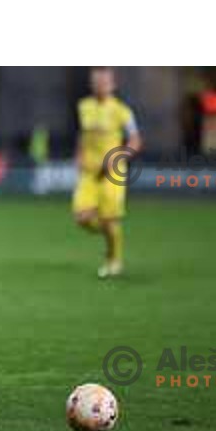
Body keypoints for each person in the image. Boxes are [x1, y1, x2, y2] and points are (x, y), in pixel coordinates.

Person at [73, 67, 142, 278]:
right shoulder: (83, 106)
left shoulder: (123, 111)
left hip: (112, 172)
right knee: (82, 218)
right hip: (89, 171)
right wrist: (78, 155)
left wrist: (118, 157)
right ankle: (111, 237)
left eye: (103, 82)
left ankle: (114, 260)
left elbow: (135, 141)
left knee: (110, 219)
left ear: (112, 85)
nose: (99, 86)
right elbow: (82, 135)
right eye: (96, 82)